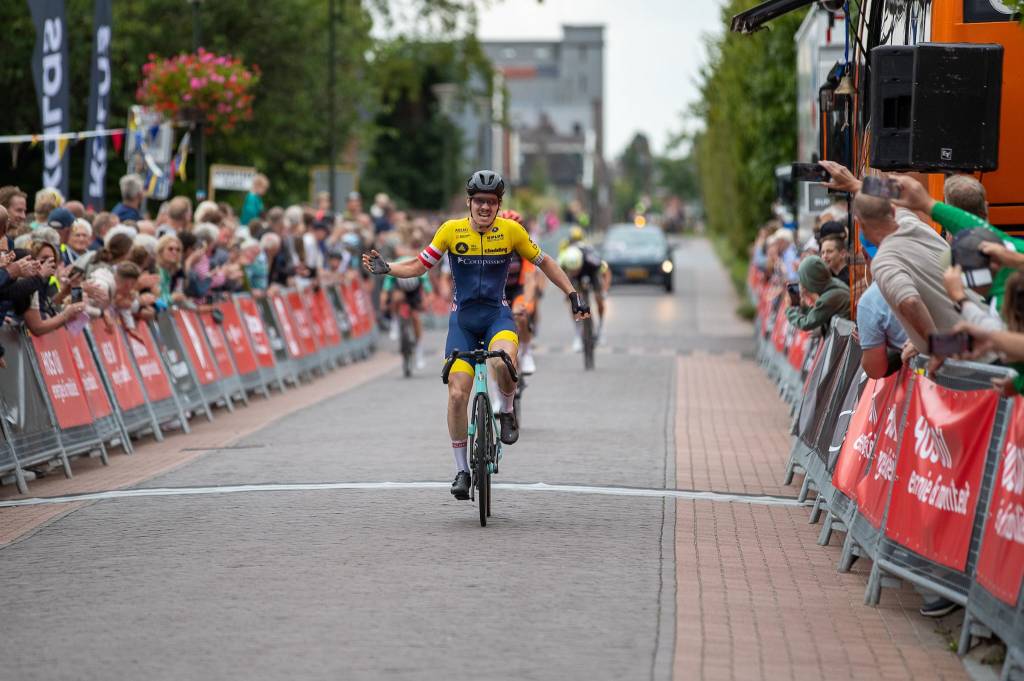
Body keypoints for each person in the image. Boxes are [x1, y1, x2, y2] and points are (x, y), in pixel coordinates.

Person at [361, 170, 589, 501]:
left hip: (497, 317)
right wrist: (389, 268)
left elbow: (546, 262)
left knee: (503, 362)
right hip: (463, 322)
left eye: (491, 202)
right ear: (469, 203)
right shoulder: (450, 231)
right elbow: (420, 265)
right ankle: (462, 471)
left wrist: (572, 294)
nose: (485, 207)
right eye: (479, 201)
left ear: (499, 205)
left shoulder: (511, 231)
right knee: (457, 395)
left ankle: (506, 410)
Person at [500, 210, 542, 375]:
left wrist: (526, 302)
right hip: (498, 291)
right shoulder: (491, 246)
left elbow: (530, 278)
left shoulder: (523, 248)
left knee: (521, 316)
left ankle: (526, 353)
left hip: (518, 288)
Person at [557, 243, 610, 350]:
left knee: (599, 298)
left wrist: (604, 290)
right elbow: (558, 277)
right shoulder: (562, 261)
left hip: (591, 272)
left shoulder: (592, 260)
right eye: (572, 270)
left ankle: (600, 329)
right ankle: (578, 333)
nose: (574, 272)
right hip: (574, 277)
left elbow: (607, 273)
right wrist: (566, 294)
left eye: (576, 270)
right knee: (572, 301)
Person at [785, 255, 850, 332]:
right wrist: (804, 307)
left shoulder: (828, 297)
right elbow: (819, 314)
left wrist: (789, 310)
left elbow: (806, 324)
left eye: (803, 280)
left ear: (811, 280)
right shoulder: (832, 283)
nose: (802, 284)